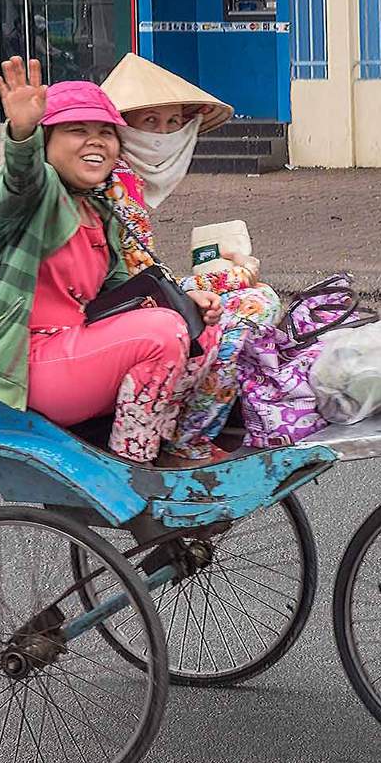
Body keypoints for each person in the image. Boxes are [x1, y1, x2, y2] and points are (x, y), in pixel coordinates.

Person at [0, 57, 222, 466]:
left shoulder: (100, 209)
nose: (95, 141)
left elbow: (123, 294)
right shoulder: (31, 198)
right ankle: (132, 463)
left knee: (202, 329)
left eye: (106, 133)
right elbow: (20, 176)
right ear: (47, 142)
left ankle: (169, 439)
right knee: (163, 332)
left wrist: (187, 300)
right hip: (28, 365)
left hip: (78, 349)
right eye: (77, 131)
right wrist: (23, 133)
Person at [99, 53, 283, 464]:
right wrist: (232, 278)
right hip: (117, 315)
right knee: (256, 305)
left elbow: (142, 271)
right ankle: (191, 436)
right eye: (149, 123)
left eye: (172, 122)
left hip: (127, 302)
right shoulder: (115, 181)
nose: (164, 134)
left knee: (251, 294)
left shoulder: (125, 176)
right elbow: (140, 282)